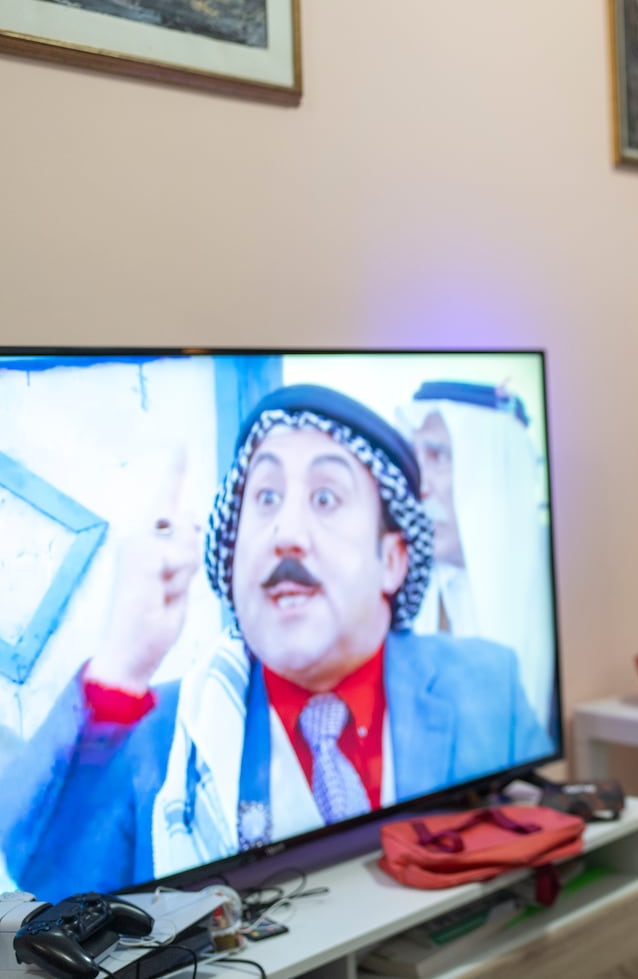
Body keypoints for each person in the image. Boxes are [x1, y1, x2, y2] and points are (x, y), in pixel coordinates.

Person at [0, 385, 551, 901]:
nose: (286, 532)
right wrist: (122, 663)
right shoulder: (151, 735)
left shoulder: (486, 684)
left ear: (391, 559)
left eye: (327, 499)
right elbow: (46, 880)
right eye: (263, 497)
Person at [398, 381, 558, 739]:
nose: (418, 484)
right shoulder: (399, 598)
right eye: (414, 456)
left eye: (438, 456)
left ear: (492, 474)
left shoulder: (563, 594)